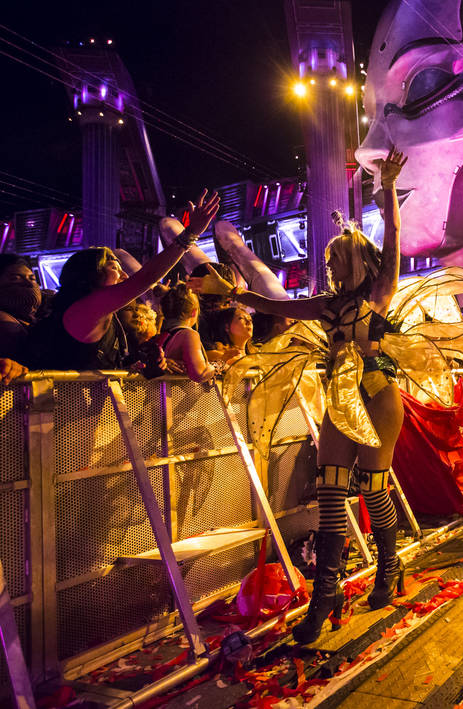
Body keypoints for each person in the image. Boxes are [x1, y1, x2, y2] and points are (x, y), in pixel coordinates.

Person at [190, 148, 408, 643]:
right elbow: (271, 302)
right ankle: (325, 594)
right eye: (328, 259)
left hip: (377, 395)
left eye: (338, 258)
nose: (330, 265)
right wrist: (230, 289)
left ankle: (388, 566)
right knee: (330, 487)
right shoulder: (325, 305)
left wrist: (389, 189)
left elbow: (393, 239)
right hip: (339, 398)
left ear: (361, 262)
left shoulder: (379, 294)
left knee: (372, 489)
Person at [28, 192, 220, 371]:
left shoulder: (111, 318)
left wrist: (143, 363)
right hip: (61, 406)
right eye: (114, 268)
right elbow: (145, 278)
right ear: (88, 276)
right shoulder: (82, 310)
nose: (125, 275)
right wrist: (190, 234)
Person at [156, 284, 216, 383]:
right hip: (177, 396)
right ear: (194, 312)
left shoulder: (161, 335)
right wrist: (216, 366)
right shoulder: (188, 334)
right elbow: (200, 374)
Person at [0, 255, 41, 361]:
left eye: (32, 279)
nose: (29, 284)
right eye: (15, 279)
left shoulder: (34, 317)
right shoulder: (5, 323)